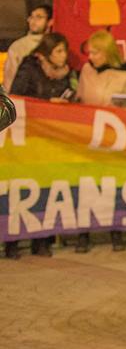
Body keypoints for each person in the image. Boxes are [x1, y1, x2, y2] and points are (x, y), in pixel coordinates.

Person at [4, 32, 77, 259]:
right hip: (28, 140)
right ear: (47, 52)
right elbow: (16, 99)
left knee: (47, 190)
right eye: (58, 51)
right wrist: (47, 104)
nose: (63, 56)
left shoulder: (67, 74)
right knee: (21, 190)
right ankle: (12, 242)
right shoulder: (30, 68)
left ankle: (41, 240)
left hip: (50, 142)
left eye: (64, 51)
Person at [75, 30, 126, 253]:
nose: (91, 57)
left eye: (96, 52)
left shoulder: (125, 76)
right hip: (88, 139)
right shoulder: (86, 71)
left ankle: (115, 231)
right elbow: (80, 99)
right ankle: (83, 234)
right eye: (90, 52)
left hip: (113, 140)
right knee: (85, 187)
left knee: (111, 188)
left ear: (107, 52)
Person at [4, 4, 52, 88]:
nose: (33, 20)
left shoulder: (55, 43)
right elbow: (10, 78)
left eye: (39, 17)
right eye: (31, 16)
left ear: (50, 22)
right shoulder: (19, 46)